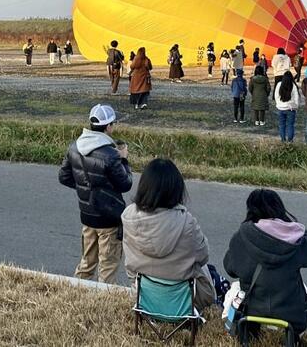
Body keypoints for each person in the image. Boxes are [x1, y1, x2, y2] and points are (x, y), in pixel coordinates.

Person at [223, 189, 307, 338]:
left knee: (236, 288)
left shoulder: (242, 235)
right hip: (291, 312)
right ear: (280, 209)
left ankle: (250, 332)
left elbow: (230, 269)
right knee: (305, 291)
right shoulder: (294, 240)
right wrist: (298, 229)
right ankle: (293, 337)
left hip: (251, 309)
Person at [122, 158, 218, 310]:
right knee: (207, 269)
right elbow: (204, 255)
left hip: (144, 295)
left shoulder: (128, 216)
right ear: (176, 189)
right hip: (184, 300)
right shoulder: (187, 223)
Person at [58, 104, 133, 285]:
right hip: (109, 218)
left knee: (86, 263)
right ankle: (103, 302)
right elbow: (125, 184)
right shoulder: (110, 154)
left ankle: (77, 294)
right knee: (107, 266)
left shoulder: (74, 147)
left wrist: (84, 188)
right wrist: (124, 159)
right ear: (108, 127)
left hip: (87, 214)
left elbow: (64, 177)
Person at [275, 73, 300, 142]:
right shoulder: (293, 85)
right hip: (290, 108)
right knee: (290, 125)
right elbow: (296, 98)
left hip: (280, 108)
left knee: (282, 125)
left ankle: (283, 139)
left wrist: (278, 104)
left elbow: (276, 96)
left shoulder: (279, 84)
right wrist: (296, 106)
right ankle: (290, 140)